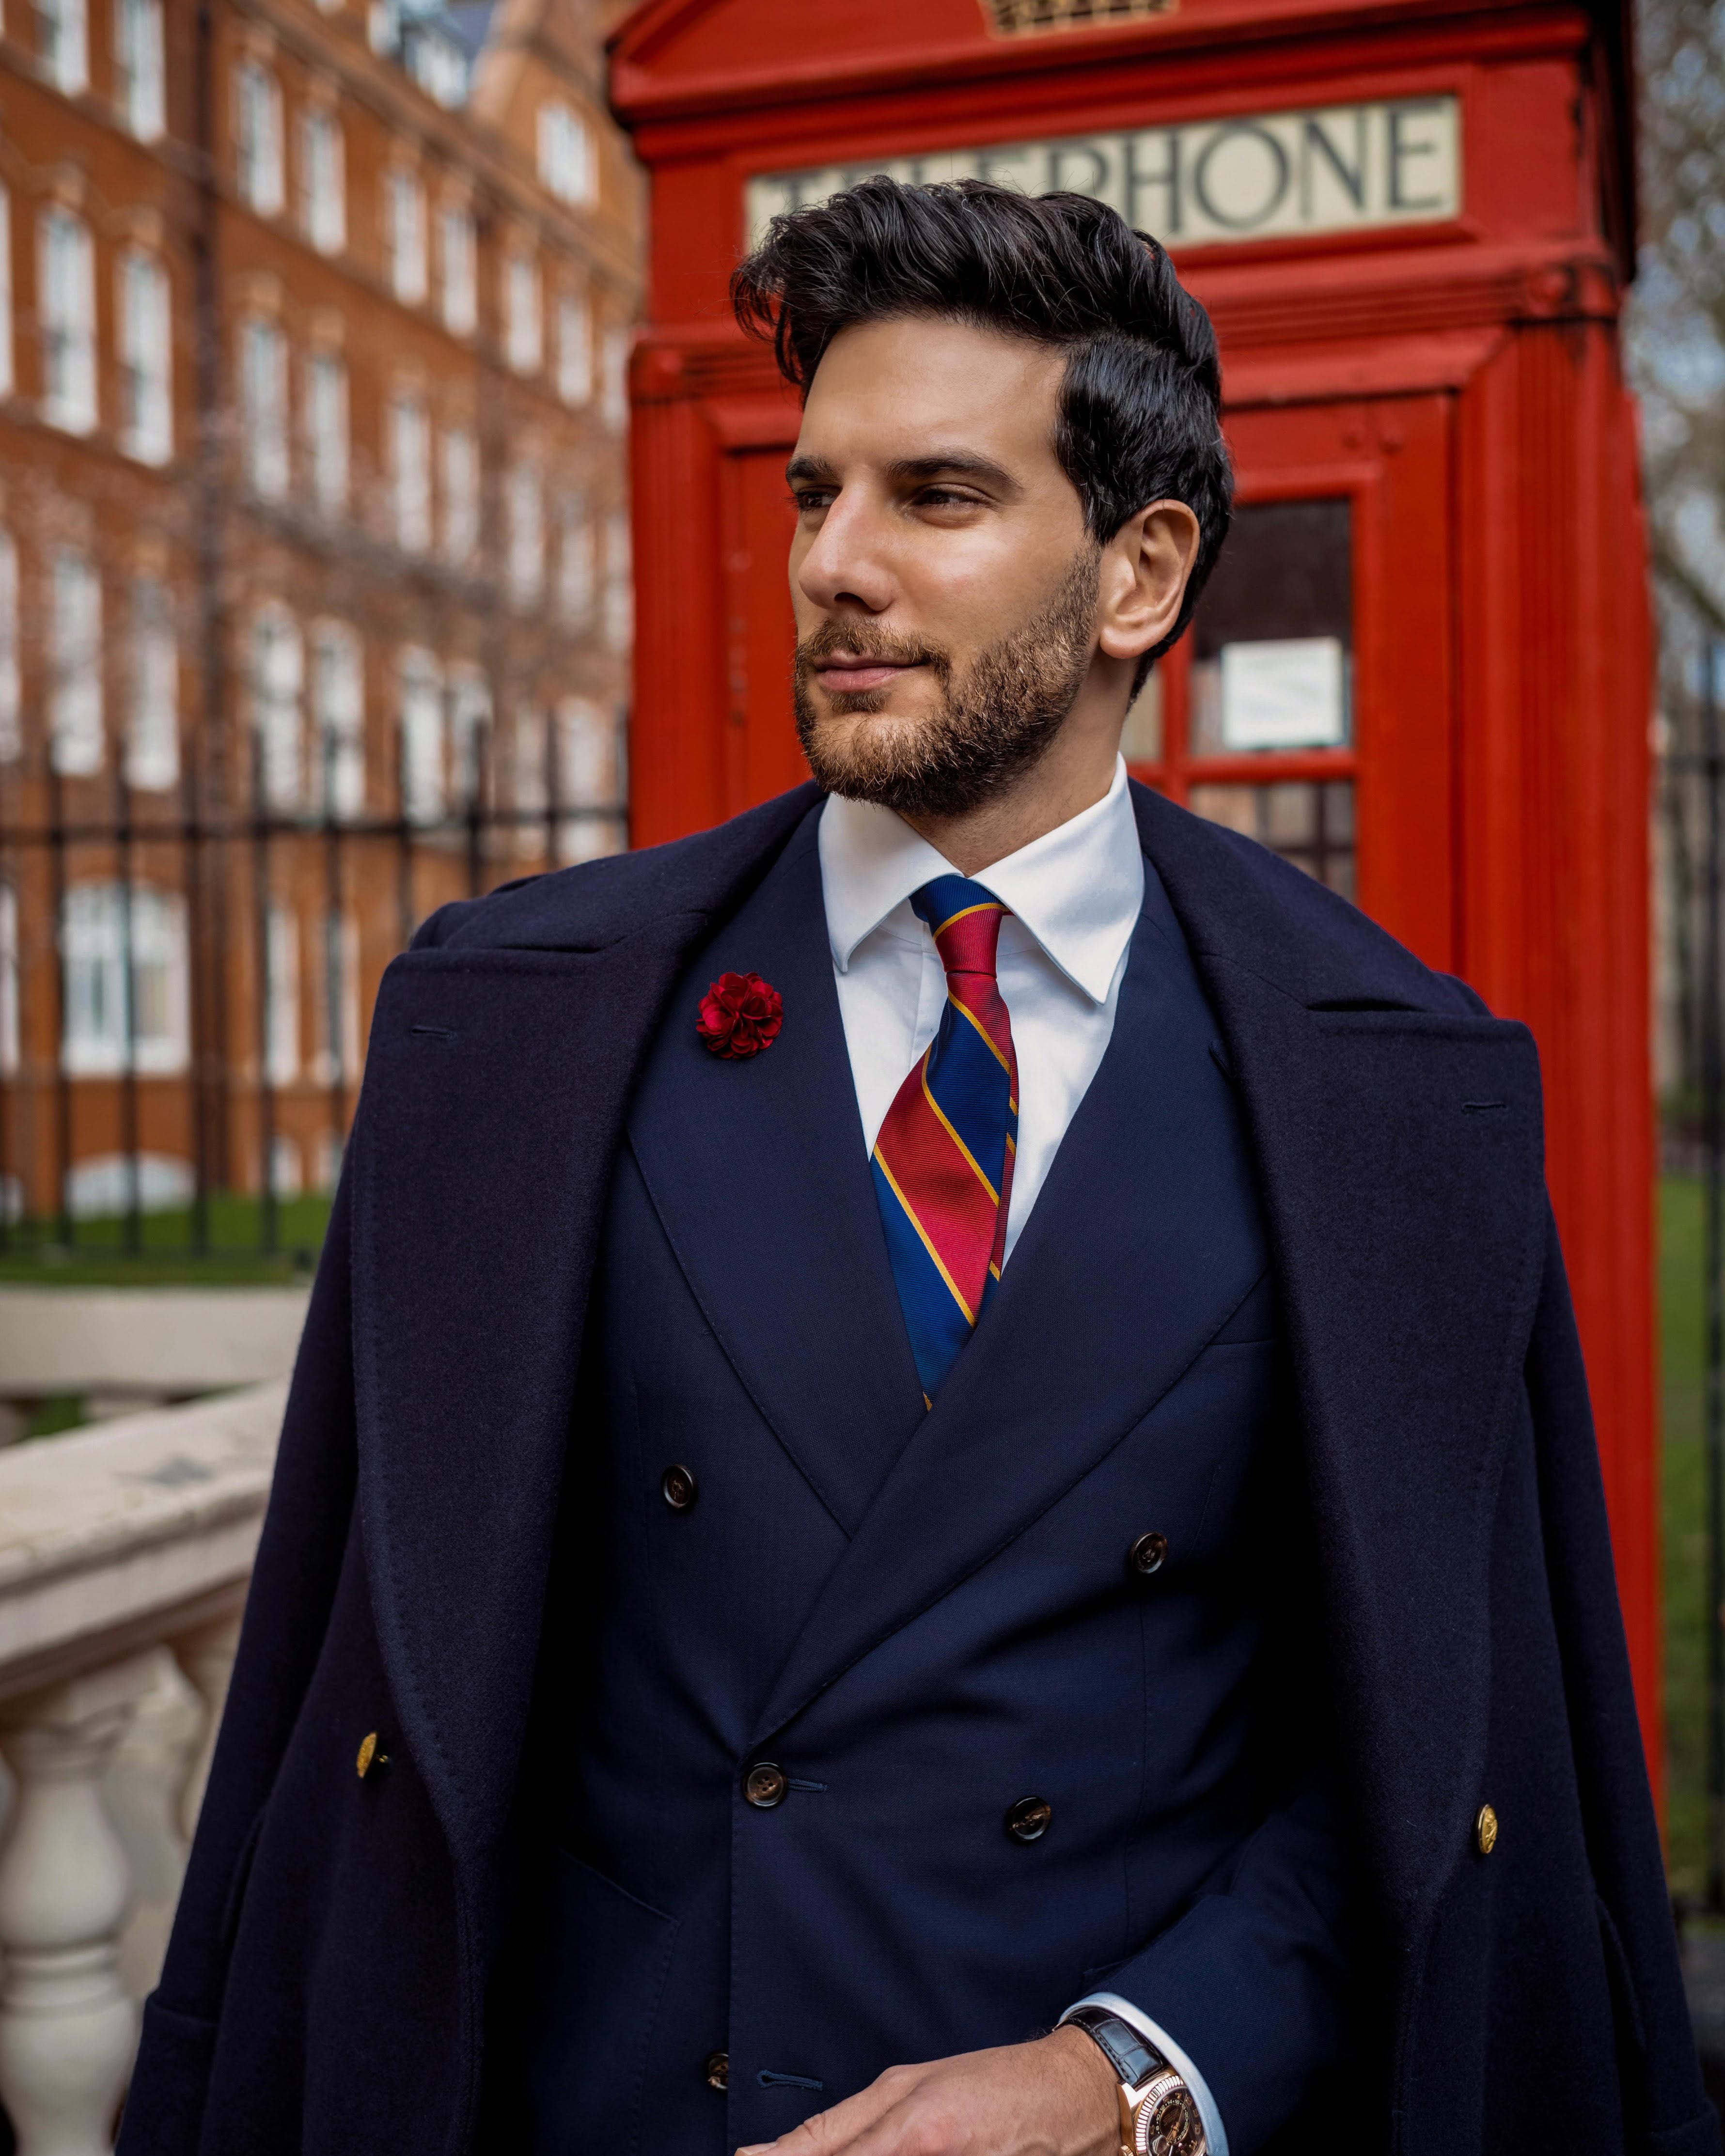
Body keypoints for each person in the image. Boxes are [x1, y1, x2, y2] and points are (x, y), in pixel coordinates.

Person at [120, 178, 1714, 2156]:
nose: (833, 568)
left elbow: (1433, 1740)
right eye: (812, 497)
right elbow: (326, 1674)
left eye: (934, 500)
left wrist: (1125, 2074)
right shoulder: (508, 1024)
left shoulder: (1392, 1091)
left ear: (1137, 576)